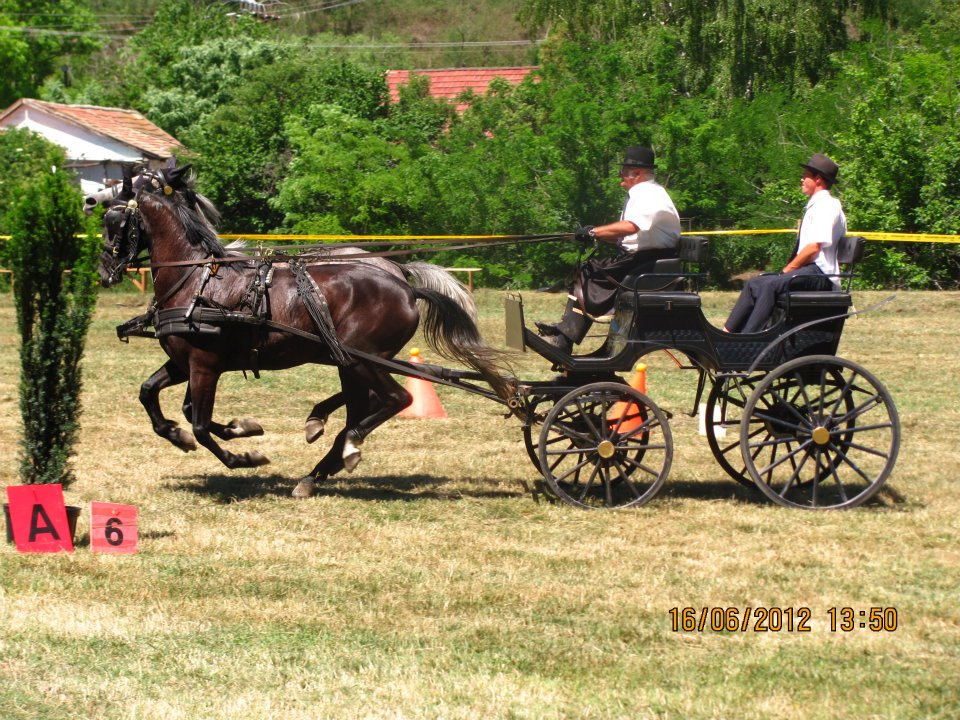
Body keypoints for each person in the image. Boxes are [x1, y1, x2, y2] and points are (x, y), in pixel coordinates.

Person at [537, 145, 681, 352]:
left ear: (637, 173)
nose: (620, 175)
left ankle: (564, 339)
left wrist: (594, 232)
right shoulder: (643, 193)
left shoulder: (649, 194)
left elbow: (631, 227)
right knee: (587, 268)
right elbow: (630, 236)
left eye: (623, 171)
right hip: (644, 258)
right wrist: (595, 235)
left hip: (651, 263)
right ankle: (565, 333)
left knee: (589, 271)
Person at [724, 153, 845, 334]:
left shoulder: (827, 205)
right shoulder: (817, 205)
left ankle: (748, 340)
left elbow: (813, 247)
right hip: (810, 271)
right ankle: (727, 334)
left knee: (770, 285)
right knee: (755, 283)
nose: (802, 179)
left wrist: (787, 270)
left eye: (806, 175)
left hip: (820, 274)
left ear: (818, 179)